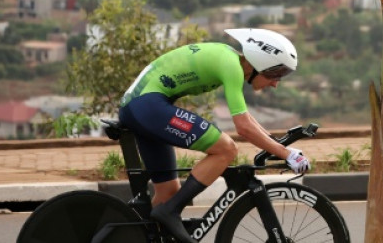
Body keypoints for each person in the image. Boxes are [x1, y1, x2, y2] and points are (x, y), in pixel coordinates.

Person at [118, 28, 310, 243]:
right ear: (259, 63)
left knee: (168, 192)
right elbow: (243, 127)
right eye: (275, 75)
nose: (275, 83)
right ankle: (170, 212)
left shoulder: (230, 60)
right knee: (226, 149)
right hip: (147, 106)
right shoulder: (231, 65)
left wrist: (274, 145)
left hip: (141, 107)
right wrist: (287, 154)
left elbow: (246, 118)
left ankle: (151, 232)